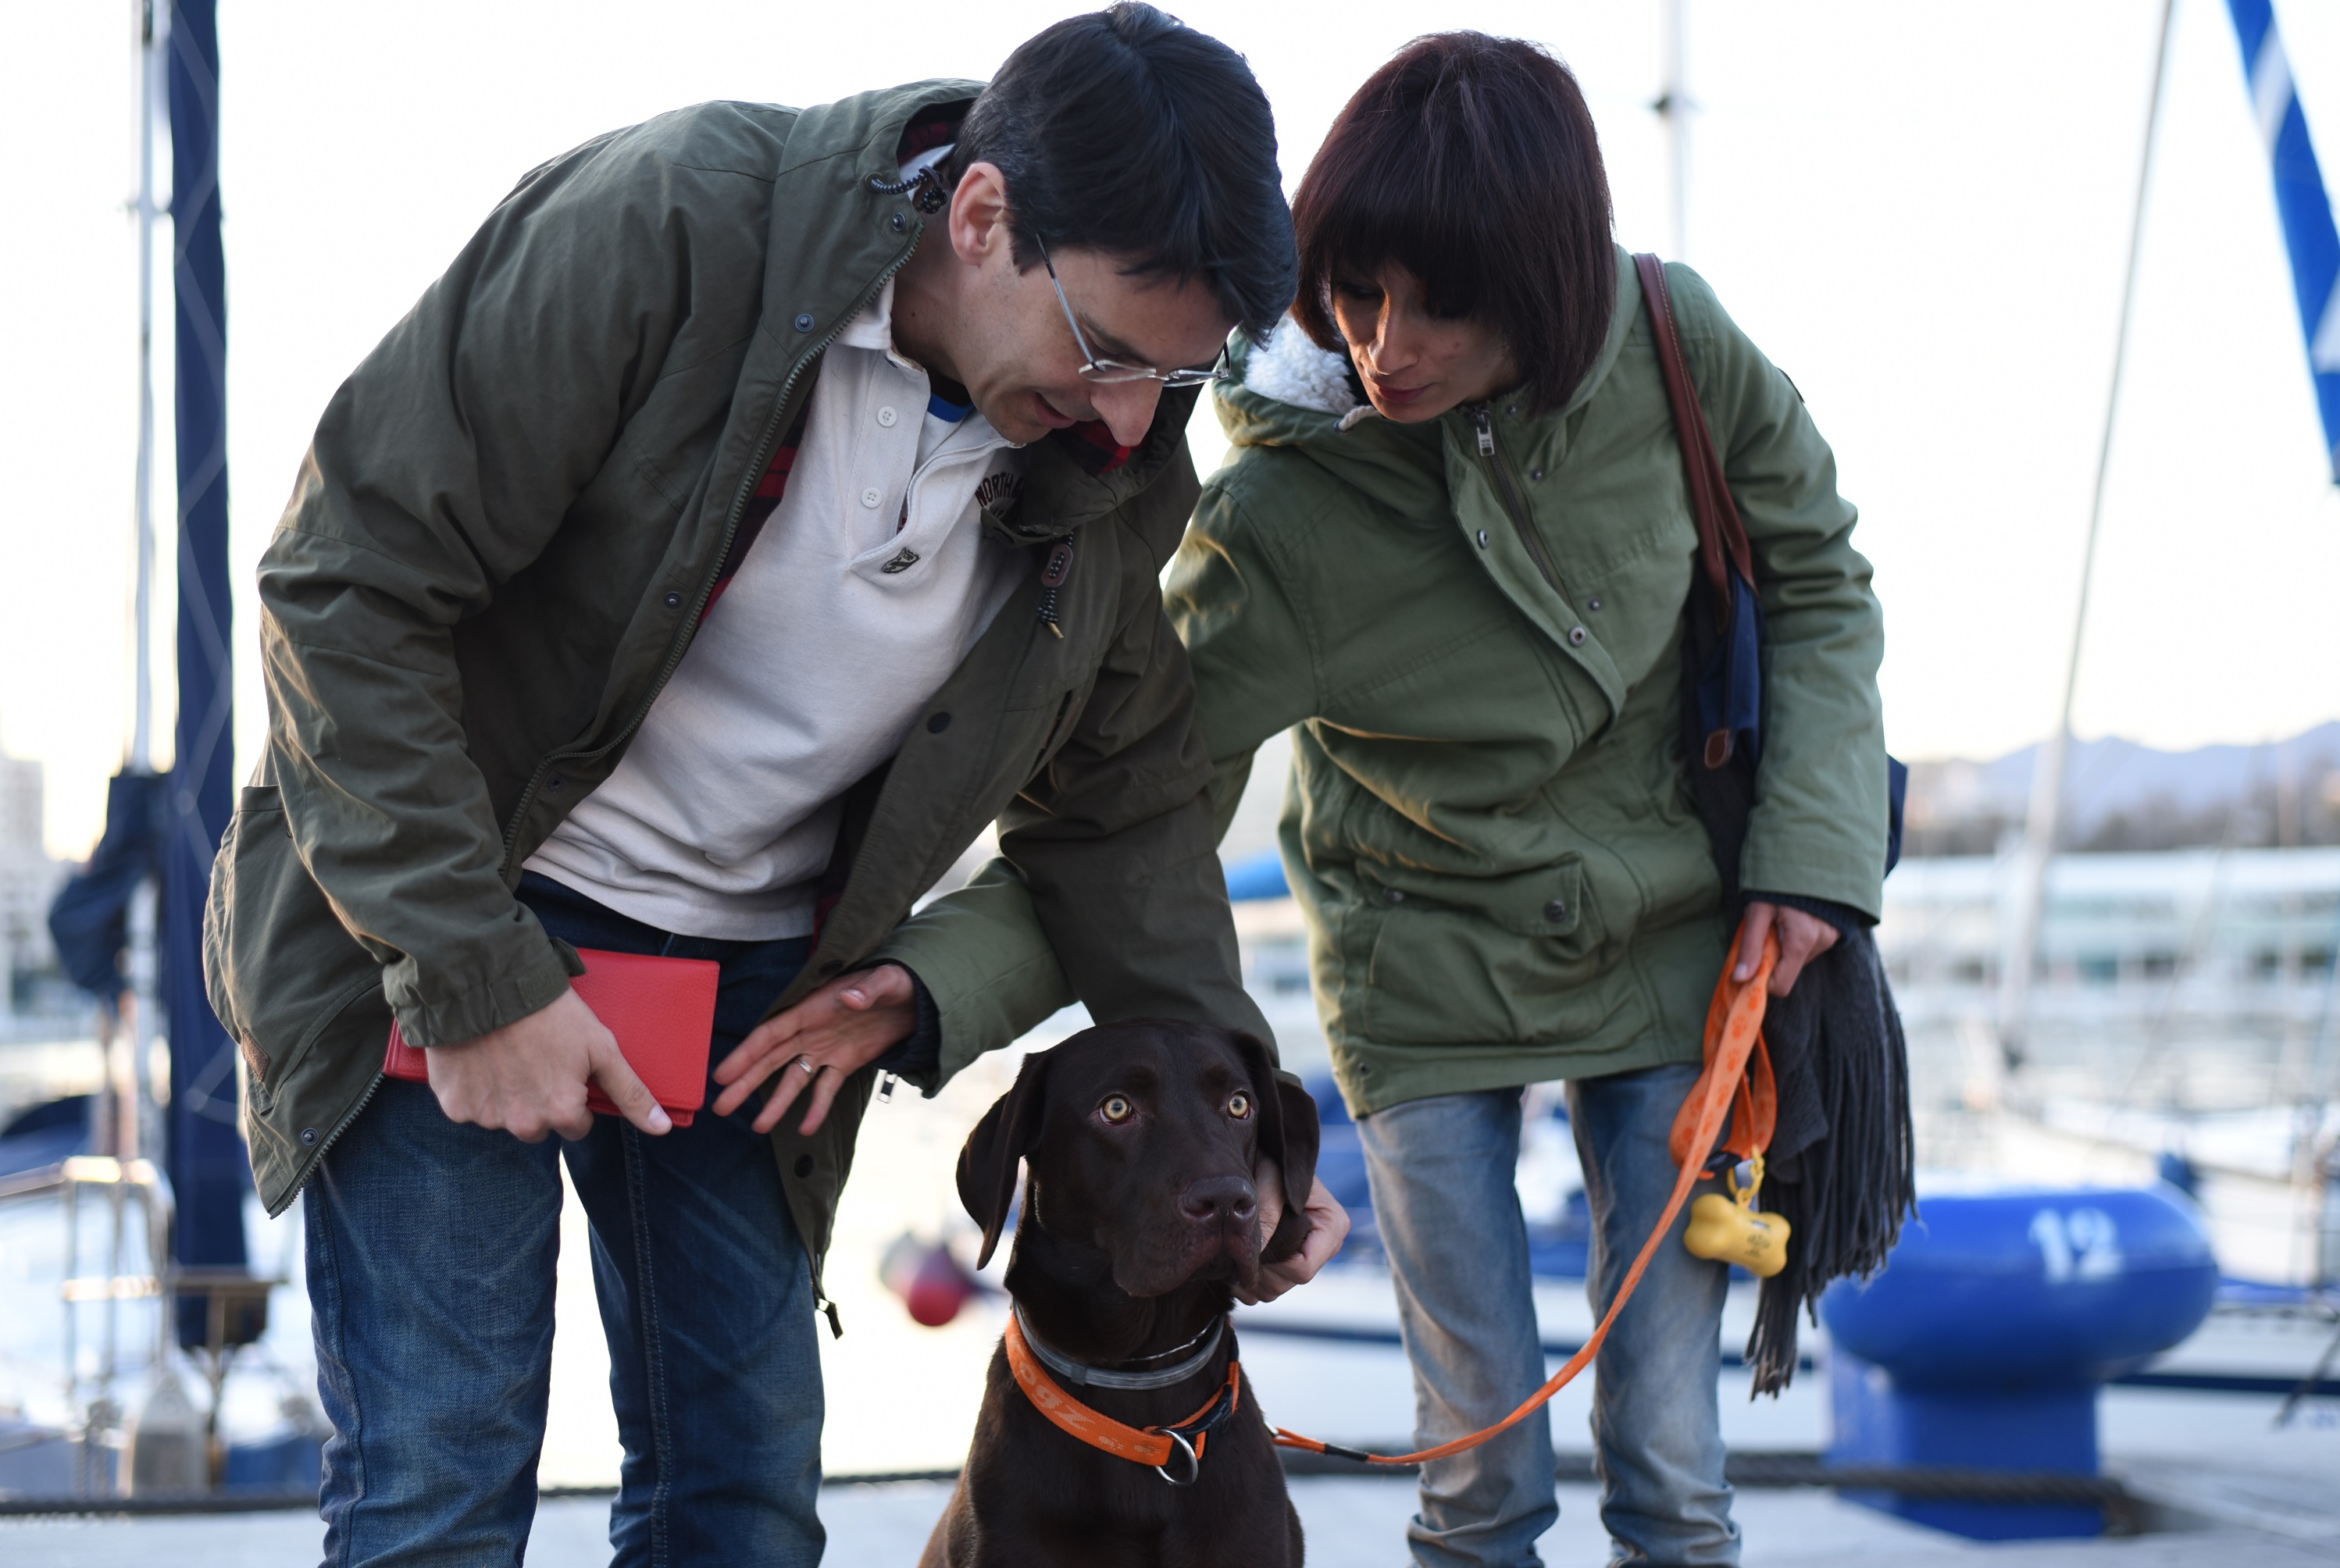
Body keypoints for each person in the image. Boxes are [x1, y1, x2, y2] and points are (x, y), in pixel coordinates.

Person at [204, 9, 1343, 1563]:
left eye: (1178, 376)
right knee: (441, 1489)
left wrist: (1248, 1155)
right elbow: (344, 581)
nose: (1132, 422)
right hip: (448, 898)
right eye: (1103, 352)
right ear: (982, 211)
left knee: (741, 1498)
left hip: (742, 986)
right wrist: (469, 975)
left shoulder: (1111, 465)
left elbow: (1125, 807)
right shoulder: (665, 228)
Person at [854, 30, 1888, 1568]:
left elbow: (1818, 583)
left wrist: (1813, 860)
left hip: (1680, 948)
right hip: (1422, 981)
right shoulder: (1276, 518)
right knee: (1481, 1480)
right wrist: (924, 980)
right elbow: (1120, 817)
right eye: (1353, 293)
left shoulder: (1676, 339)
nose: (1386, 342)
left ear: (1541, 288)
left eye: (1440, 306)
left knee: (1674, 1463)